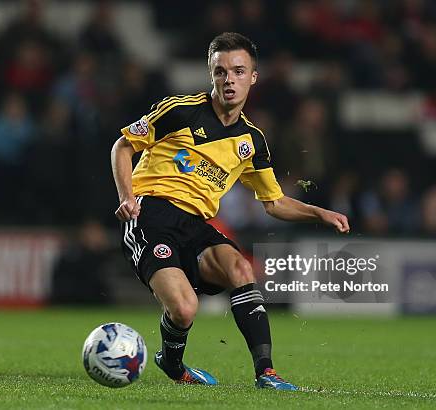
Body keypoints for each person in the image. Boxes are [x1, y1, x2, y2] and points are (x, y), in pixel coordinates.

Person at [111, 32, 349, 390]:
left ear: (253, 76)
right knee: (185, 309)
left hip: (195, 224)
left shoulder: (251, 141)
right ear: (211, 74)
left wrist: (318, 213)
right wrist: (128, 196)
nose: (229, 80)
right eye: (221, 72)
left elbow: (274, 202)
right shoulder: (181, 110)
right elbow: (122, 147)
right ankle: (173, 364)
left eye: (238, 71)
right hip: (150, 214)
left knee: (241, 268)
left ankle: (266, 372)